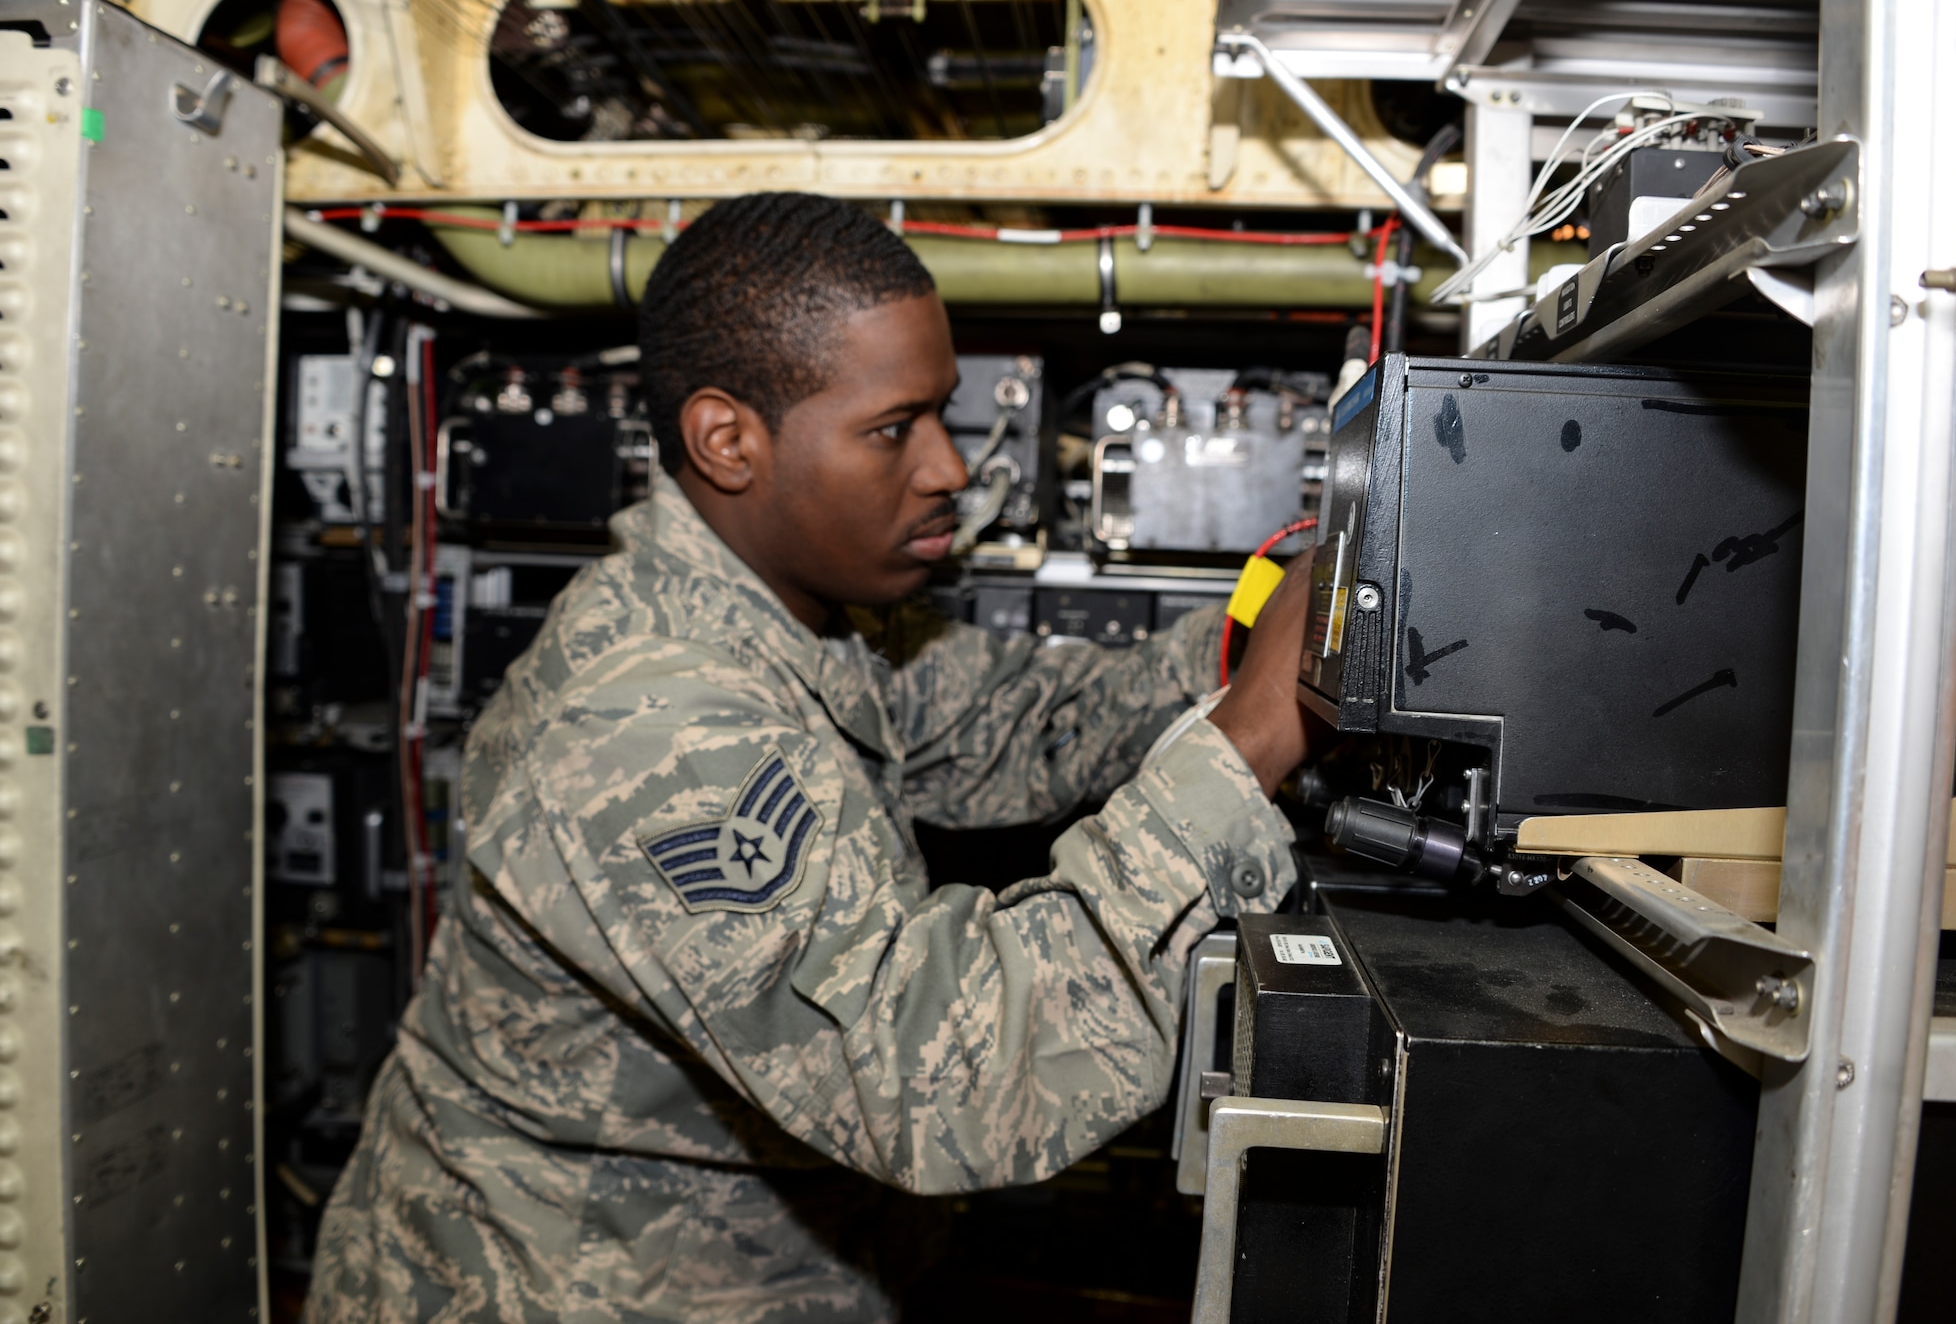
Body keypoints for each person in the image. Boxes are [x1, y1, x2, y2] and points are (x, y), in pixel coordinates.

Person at [307, 192, 1320, 1323]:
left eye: (941, 413)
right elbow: (941, 1079)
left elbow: (1031, 719)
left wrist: (1276, 637)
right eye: (895, 428)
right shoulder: (650, 723)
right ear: (727, 441)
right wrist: (1251, 740)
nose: (948, 467)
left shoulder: (800, 618)